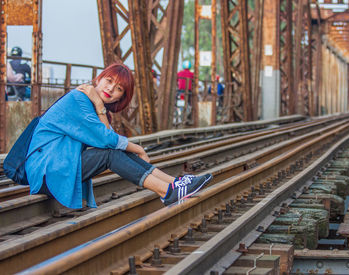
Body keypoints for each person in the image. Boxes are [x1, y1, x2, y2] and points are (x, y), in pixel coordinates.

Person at [24, 63, 212, 209]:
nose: (111, 88)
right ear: (99, 79)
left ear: (121, 98)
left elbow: (110, 141)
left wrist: (99, 106)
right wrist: (138, 148)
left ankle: (175, 183)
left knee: (116, 151)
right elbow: (108, 141)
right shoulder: (79, 99)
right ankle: (167, 192)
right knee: (112, 154)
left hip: (59, 165)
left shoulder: (95, 106)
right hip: (46, 172)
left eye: (119, 88)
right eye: (109, 80)